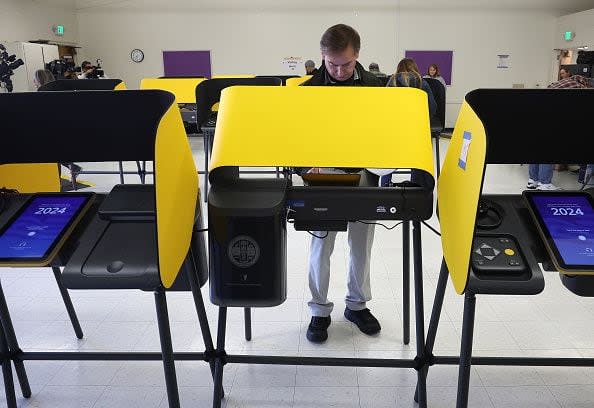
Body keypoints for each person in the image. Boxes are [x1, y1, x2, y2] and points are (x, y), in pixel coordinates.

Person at [301, 23, 382, 343]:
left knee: (361, 243)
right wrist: (308, 165)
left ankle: (357, 305)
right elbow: (296, 137)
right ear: (322, 56)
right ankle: (319, 310)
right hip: (325, 174)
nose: (338, 70)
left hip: (366, 171)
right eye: (331, 63)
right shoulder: (309, 89)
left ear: (358, 55)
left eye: (345, 64)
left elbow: (386, 131)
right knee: (322, 244)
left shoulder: (377, 87)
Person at [527, 72, 592, 190]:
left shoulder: (565, 82)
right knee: (549, 150)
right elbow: (578, 108)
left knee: (537, 149)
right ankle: (545, 183)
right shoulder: (579, 87)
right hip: (549, 117)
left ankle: (533, 181)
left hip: (536, 115)